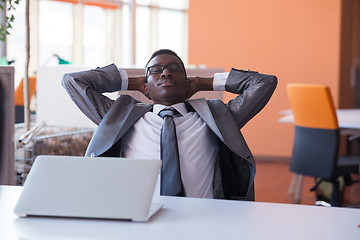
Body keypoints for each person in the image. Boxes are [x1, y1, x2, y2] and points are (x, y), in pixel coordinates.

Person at [62, 49, 277, 201]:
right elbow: (73, 81)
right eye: (155, 70)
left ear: (187, 83)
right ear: (145, 88)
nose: (165, 73)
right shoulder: (119, 116)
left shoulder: (216, 118)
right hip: (139, 222)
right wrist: (129, 81)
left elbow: (265, 83)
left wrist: (205, 82)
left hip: (204, 221)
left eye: (175, 69)